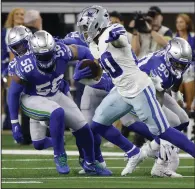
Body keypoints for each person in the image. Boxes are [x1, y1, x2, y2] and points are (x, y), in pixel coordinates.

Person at [76, 5, 195, 176]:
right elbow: (102, 68)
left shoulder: (113, 30)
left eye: (87, 27)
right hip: (121, 90)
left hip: (139, 89)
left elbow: (119, 38)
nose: (85, 31)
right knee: (98, 125)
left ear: (98, 23)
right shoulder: (95, 45)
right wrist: (85, 74)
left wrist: (115, 36)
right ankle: (134, 152)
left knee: (165, 131)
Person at [7, 29, 112, 176]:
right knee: (57, 113)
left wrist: (84, 66)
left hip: (55, 94)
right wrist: (14, 122)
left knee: (83, 128)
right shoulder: (24, 65)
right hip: (32, 99)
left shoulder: (61, 51)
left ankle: (90, 163)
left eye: (48, 54)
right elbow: (13, 93)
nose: (46, 58)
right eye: (41, 56)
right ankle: (60, 156)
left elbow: (84, 52)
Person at [1, 7, 25, 130]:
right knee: (8, 95)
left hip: (24, 67)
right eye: (17, 14)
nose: (20, 16)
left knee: (20, 96)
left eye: (22, 14)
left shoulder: (27, 31)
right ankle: (7, 123)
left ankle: (14, 123)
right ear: (12, 16)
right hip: (6, 67)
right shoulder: (5, 32)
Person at [175, 13, 195, 113]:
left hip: (190, 71)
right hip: (177, 71)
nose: (178, 24)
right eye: (177, 22)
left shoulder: (193, 37)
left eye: (181, 22)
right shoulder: (173, 38)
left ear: (187, 24)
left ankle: (190, 125)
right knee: (177, 103)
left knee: (190, 104)